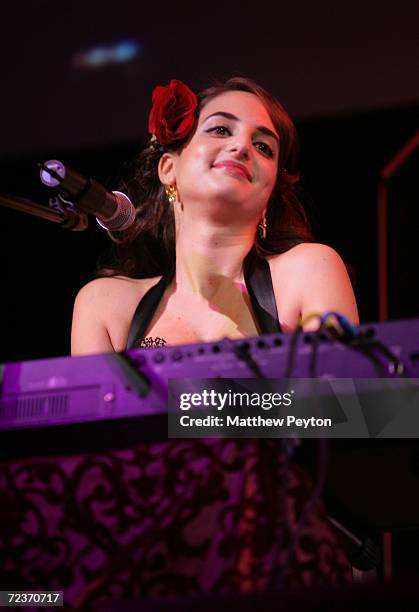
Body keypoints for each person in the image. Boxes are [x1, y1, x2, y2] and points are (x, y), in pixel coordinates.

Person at [71, 77, 358, 355]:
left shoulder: (307, 271)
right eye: (220, 130)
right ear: (169, 168)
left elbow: (339, 400)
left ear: (269, 193)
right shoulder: (106, 306)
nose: (242, 147)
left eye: (263, 147)